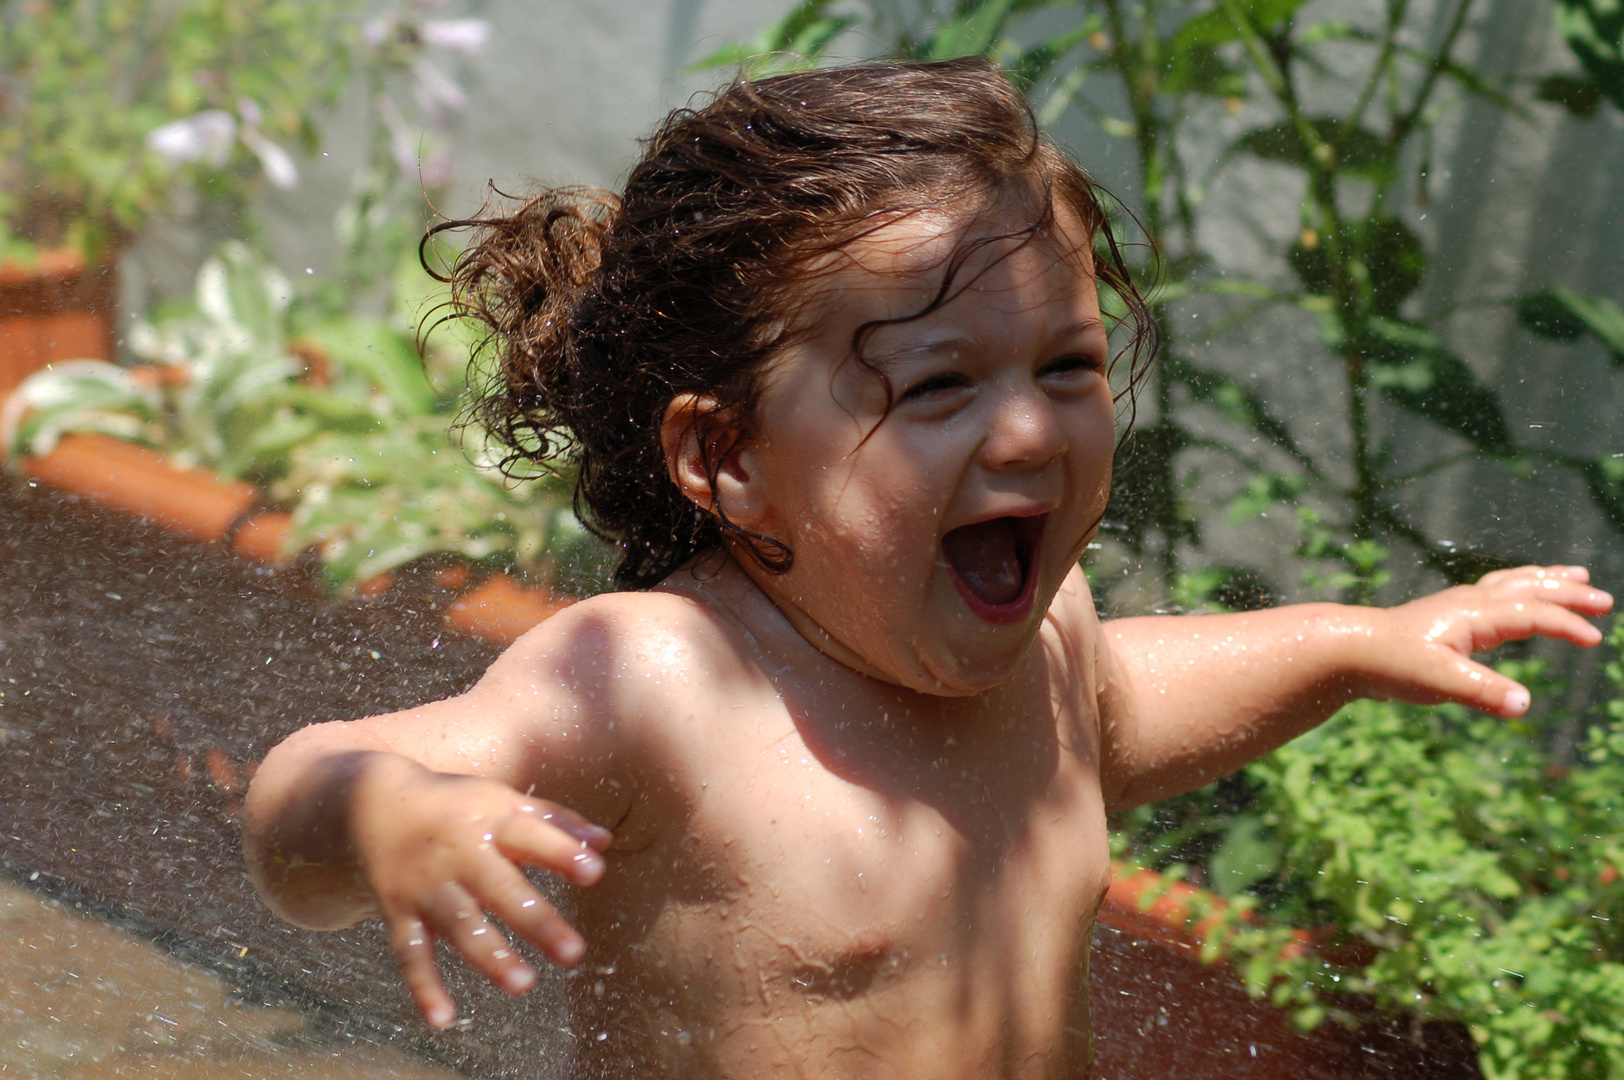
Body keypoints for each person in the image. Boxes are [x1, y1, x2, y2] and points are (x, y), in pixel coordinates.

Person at [242, 58, 1613, 1079]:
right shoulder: (667, 685)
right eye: (941, 384)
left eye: (1067, 366)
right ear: (725, 457)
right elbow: (301, 792)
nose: (1026, 427)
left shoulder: (1051, 648)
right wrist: (381, 819)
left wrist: (1346, 643)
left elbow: (1130, 697)